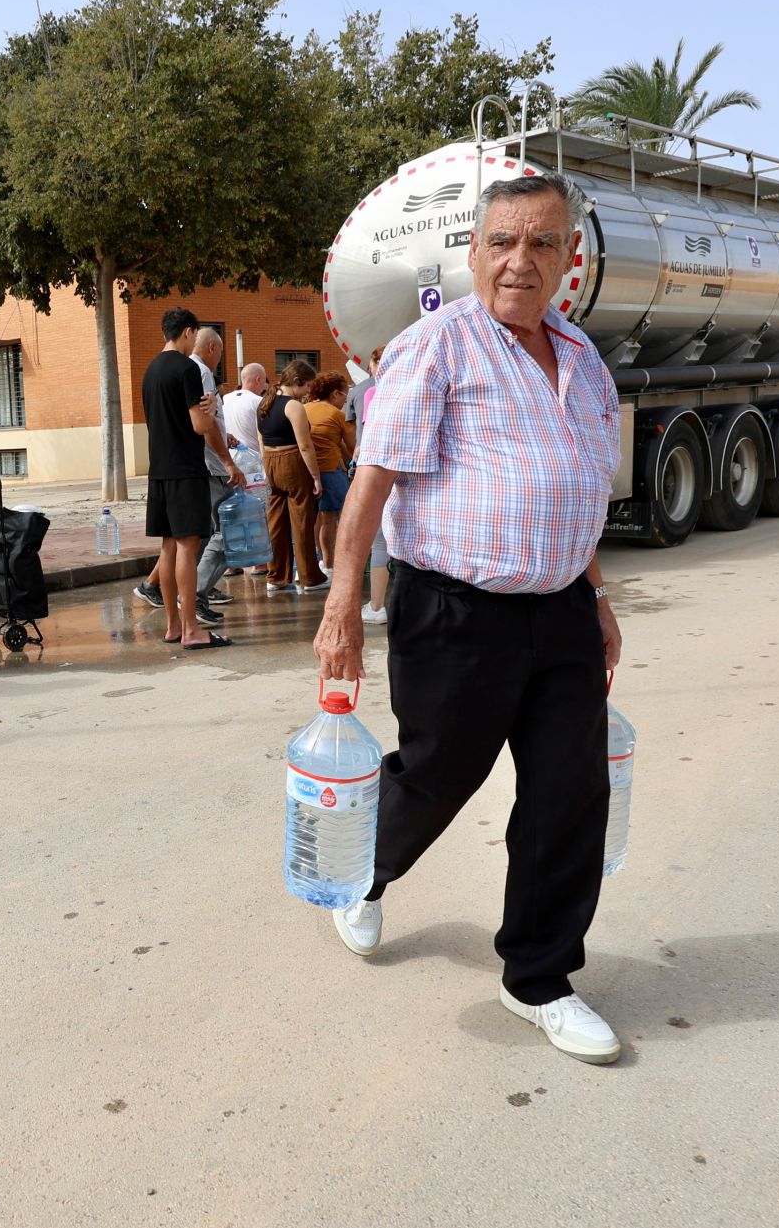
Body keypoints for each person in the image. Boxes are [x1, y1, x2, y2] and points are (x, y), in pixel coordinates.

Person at [314, 173, 625, 1064]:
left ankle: (539, 977)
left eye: (542, 242)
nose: (520, 260)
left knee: (571, 793)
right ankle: (362, 874)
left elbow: (576, 490)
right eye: (503, 241)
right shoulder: (435, 346)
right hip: (455, 611)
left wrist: (598, 596)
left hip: (562, 612)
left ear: (568, 257)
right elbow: (372, 484)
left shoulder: (583, 358)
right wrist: (342, 607)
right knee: (437, 773)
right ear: (475, 251)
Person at [133, 327, 242, 620]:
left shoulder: (152, 370)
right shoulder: (192, 370)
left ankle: (173, 620)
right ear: (188, 333)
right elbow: (201, 425)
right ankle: (192, 612)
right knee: (191, 543)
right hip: (193, 469)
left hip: (162, 468)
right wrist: (227, 460)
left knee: (172, 545)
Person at [256, 359, 325, 594]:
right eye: (307, 386)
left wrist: (267, 467)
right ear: (296, 382)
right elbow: (305, 446)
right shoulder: (293, 406)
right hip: (293, 462)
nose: (308, 391)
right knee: (302, 520)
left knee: (275, 523)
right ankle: (309, 578)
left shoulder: (264, 402)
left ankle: (275, 576)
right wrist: (315, 476)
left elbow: (260, 439)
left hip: (270, 461)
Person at [303, 369, 356, 581]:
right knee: (331, 519)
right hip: (331, 470)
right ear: (335, 393)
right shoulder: (336, 414)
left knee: (316, 518)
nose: (345, 401)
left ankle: (317, 560)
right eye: (345, 396)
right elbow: (352, 447)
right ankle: (329, 564)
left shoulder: (304, 409)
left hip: (307, 470)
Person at [351, 347, 391, 626]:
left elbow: (368, 437)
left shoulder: (372, 392)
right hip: (415, 474)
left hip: (379, 470)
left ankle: (377, 606)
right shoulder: (414, 388)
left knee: (379, 540)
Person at [220, 362, 269, 577]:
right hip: (253, 465)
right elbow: (262, 435)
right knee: (257, 512)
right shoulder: (259, 402)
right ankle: (259, 562)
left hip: (229, 462)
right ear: (258, 379)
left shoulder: (225, 400)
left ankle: (233, 562)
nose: (265, 386)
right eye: (264, 381)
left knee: (234, 512)